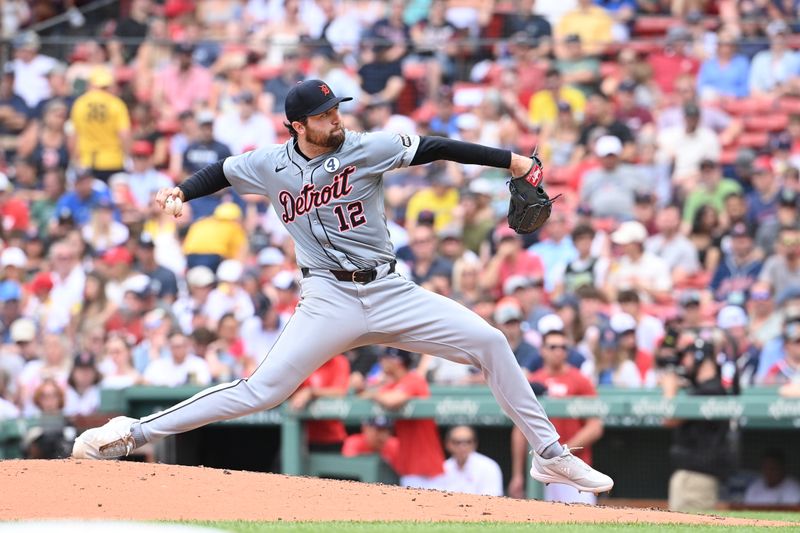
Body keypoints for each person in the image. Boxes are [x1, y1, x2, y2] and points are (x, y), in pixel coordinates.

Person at [73, 79, 613, 495]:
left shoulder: (364, 148)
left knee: (491, 342)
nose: (335, 119)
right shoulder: (270, 165)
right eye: (324, 115)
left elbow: (437, 146)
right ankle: (130, 433)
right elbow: (222, 171)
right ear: (297, 125)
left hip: (389, 291)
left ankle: (548, 452)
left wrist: (513, 160)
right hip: (327, 298)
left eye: (336, 110)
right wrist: (181, 193)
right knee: (261, 391)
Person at [509, 330, 604, 503]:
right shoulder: (533, 381)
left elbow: (595, 426)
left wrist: (561, 454)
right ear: (542, 350)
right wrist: (517, 474)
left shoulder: (580, 379)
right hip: (541, 471)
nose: (558, 351)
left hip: (575, 469)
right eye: (553, 347)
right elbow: (520, 430)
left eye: (563, 347)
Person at [69, 67, 131, 182]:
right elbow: (124, 134)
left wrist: (74, 159)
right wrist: (127, 156)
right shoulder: (116, 104)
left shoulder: (80, 103)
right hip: (113, 160)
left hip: (86, 160)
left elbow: (73, 135)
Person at [441, 425, 503, 496]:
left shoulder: (489, 467)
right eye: (457, 442)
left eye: (468, 442)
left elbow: (492, 501)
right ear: (447, 444)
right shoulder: (443, 468)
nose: (462, 446)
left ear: (475, 444)